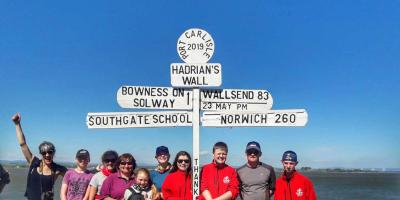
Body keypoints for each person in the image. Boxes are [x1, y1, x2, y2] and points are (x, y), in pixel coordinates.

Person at [12, 113, 67, 200]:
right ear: (41, 154)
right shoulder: (34, 162)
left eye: (50, 152)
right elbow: (22, 144)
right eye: (44, 153)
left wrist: (95, 171)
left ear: (53, 153)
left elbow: (75, 176)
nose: (47, 155)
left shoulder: (58, 169)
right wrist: (17, 124)